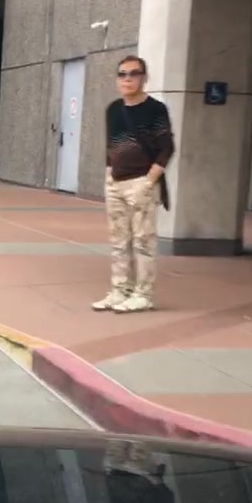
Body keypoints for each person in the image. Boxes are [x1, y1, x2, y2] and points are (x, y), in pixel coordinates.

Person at [93, 55, 174, 314]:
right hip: (116, 182)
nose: (127, 79)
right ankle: (120, 290)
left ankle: (143, 295)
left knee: (143, 242)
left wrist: (149, 182)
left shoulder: (156, 110)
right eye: (122, 74)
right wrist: (109, 175)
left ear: (144, 78)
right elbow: (111, 146)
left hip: (142, 183)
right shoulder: (113, 109)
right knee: (118, 241)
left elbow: (166, 148)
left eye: (134, 73)